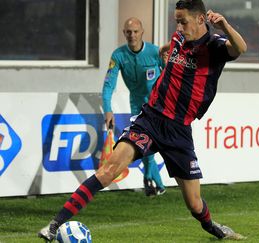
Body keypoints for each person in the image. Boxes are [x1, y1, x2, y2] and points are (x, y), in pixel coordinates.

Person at [38, 0, 247, 241]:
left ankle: (214, 229)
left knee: (195, 204)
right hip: (150, 117)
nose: (179, 26)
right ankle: (54, 225)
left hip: (178, 130)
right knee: (109, 169)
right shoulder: (179, 38)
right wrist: (166, 49)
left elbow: (239, 48)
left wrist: (225, 26)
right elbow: (170, 47)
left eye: (183, 21)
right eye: (176, 21)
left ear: (201, 20)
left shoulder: (214, 46)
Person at [102, 17, 166, 196]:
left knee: (156, 143)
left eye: (136, 31)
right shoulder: (118, 56)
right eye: (128, 32)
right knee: (143, 143)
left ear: (142, 32)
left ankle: (152, 179)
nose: (132, 35)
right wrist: (108, 109)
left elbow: (170, 75)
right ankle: (156, 183)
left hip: (159, 105)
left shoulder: (155, 52)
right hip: (137, 105)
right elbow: (108, 85)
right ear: (124, 33)